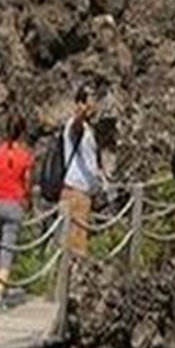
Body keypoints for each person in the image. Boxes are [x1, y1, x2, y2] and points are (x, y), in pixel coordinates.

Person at [0, 113, 34, 312]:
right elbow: (28, 183)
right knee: (7, 252)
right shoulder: (26, 156)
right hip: (14, 205)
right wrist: (29, 202)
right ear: (23, 132)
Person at [59, 86, 104, 258]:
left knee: (80, 241)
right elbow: (76, 125)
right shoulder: (74, 125)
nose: (93, 107)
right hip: (74, 191)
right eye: (89, 102)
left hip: (84, 193)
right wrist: (80, 113)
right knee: (73, 245)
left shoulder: (88, 130)